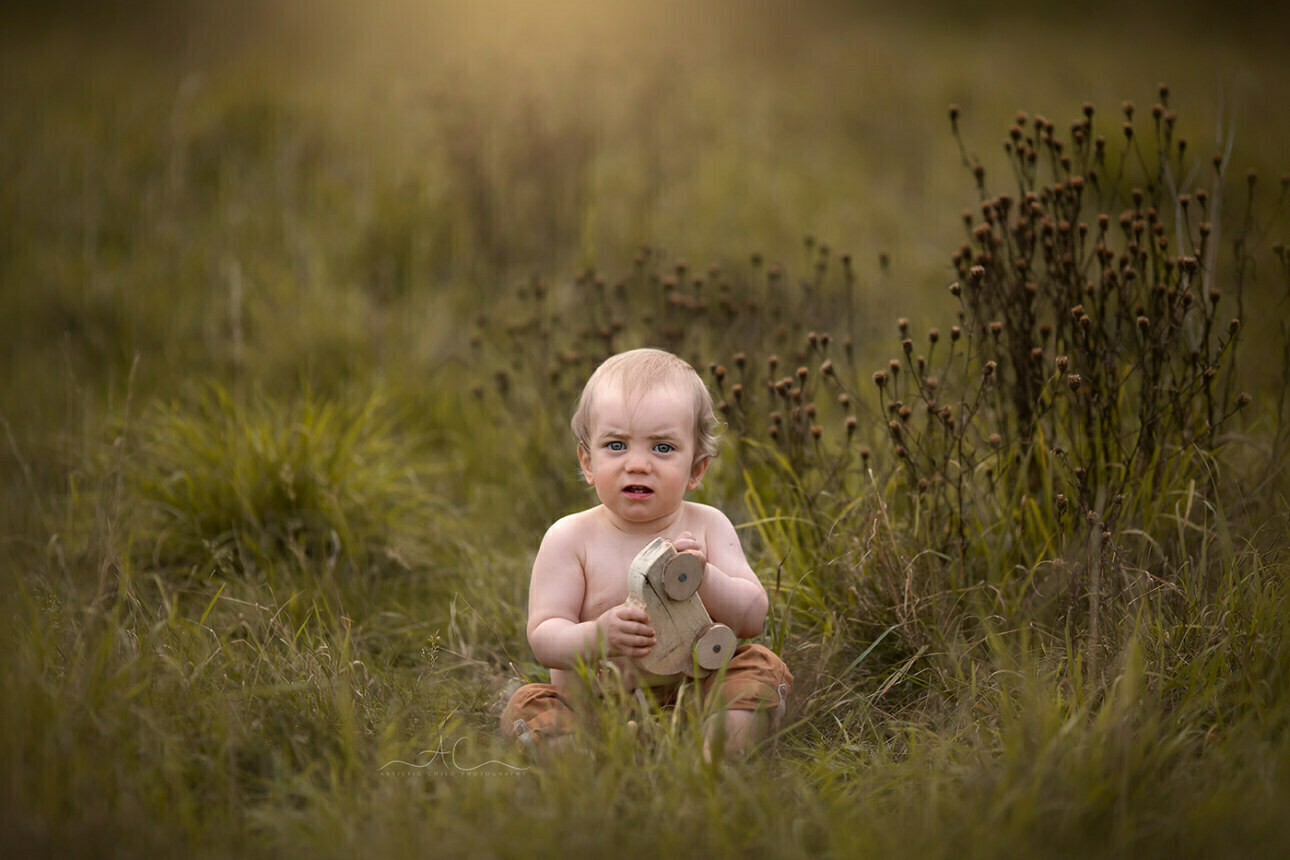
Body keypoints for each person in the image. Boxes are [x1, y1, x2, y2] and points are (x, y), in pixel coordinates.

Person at [500, 347, 792, 759]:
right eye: (616, 445)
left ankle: (714, 754)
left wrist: (704, 577)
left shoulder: (708, 527)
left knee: (759, 665)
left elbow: (752, 617)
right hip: (596, 709)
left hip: (696, 697)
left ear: (696, 469)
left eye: (662, 448)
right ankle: (583, 762)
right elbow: (545, 638)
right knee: (530, 704)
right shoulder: (570, 538)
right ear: (587, 461)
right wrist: (598, 634)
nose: (637, 464)